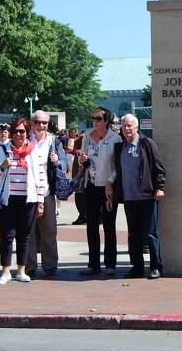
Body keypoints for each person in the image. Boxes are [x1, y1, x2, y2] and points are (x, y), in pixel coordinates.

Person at [0, 119, 44, 285]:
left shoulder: (34, 151)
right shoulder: (2, 150)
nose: (19, 134)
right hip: (7, 199)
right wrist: (2, 166)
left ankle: (21, 271)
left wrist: (40, 202)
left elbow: (40, 178)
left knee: (24, 236)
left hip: (28, 200)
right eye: (16, 131)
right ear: (11, 133)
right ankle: (5, 272)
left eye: (23, 131)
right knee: (7, 236)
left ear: (27, 133)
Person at [108, 114, 166, 279]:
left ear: (137, 127)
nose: (127, 129)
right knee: (133, 234)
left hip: (147, 197)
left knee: (150, 233)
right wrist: (110, 185)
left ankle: (156, 267)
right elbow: (117, 172)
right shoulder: (120, 147)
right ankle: (137, 267)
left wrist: (159, 188)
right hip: (129, 198)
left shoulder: (147, 144)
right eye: (124, 126)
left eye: (130, 126)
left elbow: (159, 168)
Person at [77, 107, 122, 276]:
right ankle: (93, 264)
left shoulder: (115, 138)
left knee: (109, 226)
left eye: (98, 118)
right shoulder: (87, 136)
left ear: (107, 121)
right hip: (90, 185)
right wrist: (82, 160)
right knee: (92, 226)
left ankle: (111, 264)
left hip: (108, 187)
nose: (95, 121)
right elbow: (83, 159)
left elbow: (118, 165)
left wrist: (110, 182)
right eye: (93, 118)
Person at [26, 110, 67, 279]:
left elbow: (65, 164)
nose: (40, 126)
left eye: (44, 123)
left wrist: (58, 161)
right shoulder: (25, 139)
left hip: (48, 192)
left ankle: (50, 265)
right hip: (27, 193)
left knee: (49, 230)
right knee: (28, 231)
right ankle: (29, 266)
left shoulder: (53, 141)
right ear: (31, 122)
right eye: (37, 122)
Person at [70, 135, 86, 225]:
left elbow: (75, 167)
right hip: (85, 177)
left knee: (79, 196)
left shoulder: (79, 152)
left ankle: (82, 215)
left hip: (80, 178)